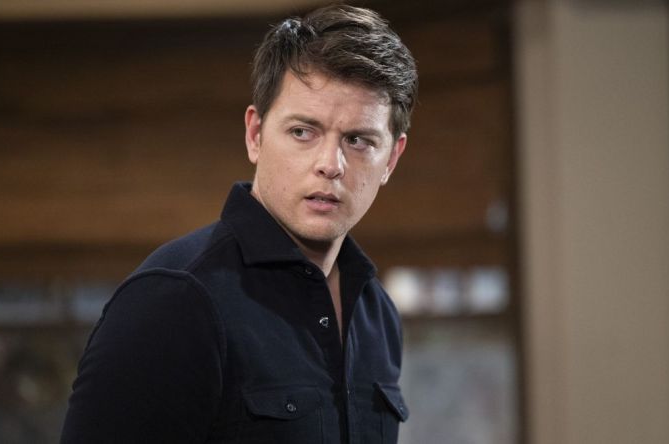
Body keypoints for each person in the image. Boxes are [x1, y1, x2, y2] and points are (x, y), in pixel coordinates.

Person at [61, 4, 418, 443]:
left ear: (391, 159)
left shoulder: (377, 313)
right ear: (255, 135)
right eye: (303, 132)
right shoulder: (175, 299)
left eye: (358, 140)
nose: (331, 164)